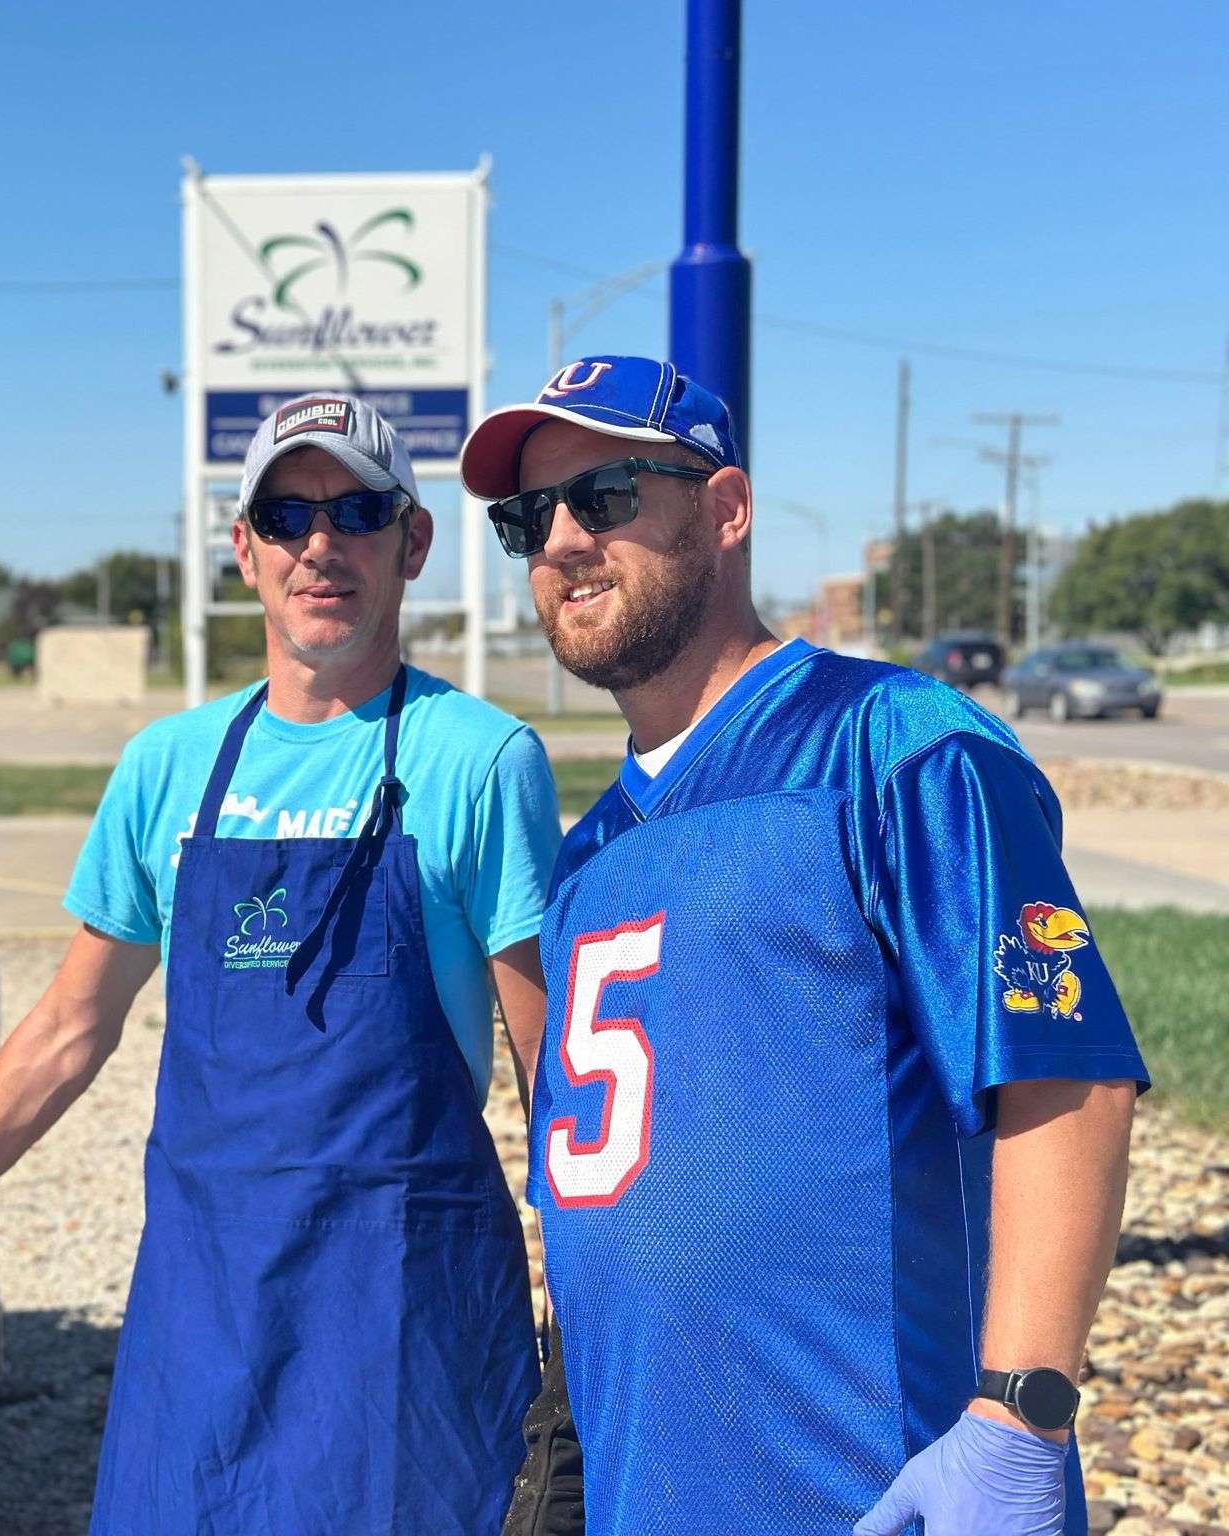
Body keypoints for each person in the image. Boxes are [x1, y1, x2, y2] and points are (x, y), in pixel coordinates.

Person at [0, 392, 563, 1533]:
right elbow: (69, 1027)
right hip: (204, 1315)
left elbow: (556, 1077)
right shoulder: (166, 769)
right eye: (286, 515)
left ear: (412, 543)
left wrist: (595, 1332)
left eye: (354, 509)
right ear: (242, 549)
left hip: (403, 1320)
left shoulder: (480, 763)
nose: (319, 544)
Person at [459, 356, 1147, 1536]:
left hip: (865, 1486)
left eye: (607, 495)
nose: (562, 541)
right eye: (528, 517)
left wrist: (1018, 1414)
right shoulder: (584, 860)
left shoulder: (895, 747)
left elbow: (1063, 1069)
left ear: (723, 510)